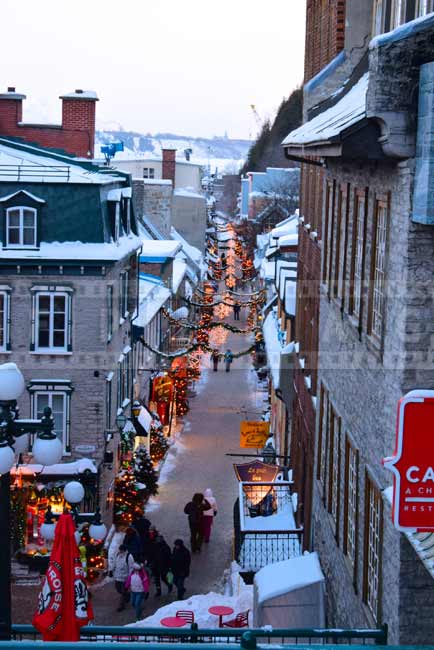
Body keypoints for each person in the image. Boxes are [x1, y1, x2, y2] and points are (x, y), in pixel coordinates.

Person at [148, 533, 173, 597]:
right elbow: (150, 555)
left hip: (163, 566)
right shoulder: (154, 546)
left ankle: (169, 585)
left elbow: (169, 557)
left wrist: (169, 566)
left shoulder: (166, 547)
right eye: (157, 540)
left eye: (159, 540)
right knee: (157, 579)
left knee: (163, 578)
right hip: (155, 565)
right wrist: (150, 562)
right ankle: (158, 591)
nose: (158, 541)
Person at [112, 544, 134, 612]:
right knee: (118, 589)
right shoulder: (118, 555)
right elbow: (115, 564)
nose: (120, 551)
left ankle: (121, 606)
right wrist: (112, 570)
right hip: (117, 577)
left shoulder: (129, 556)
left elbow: (131, 567)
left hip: (125, 578)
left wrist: (129, 577)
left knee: (123, 592)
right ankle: (128, 595)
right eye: (120, 550)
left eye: (121, 550)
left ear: (124, 550)